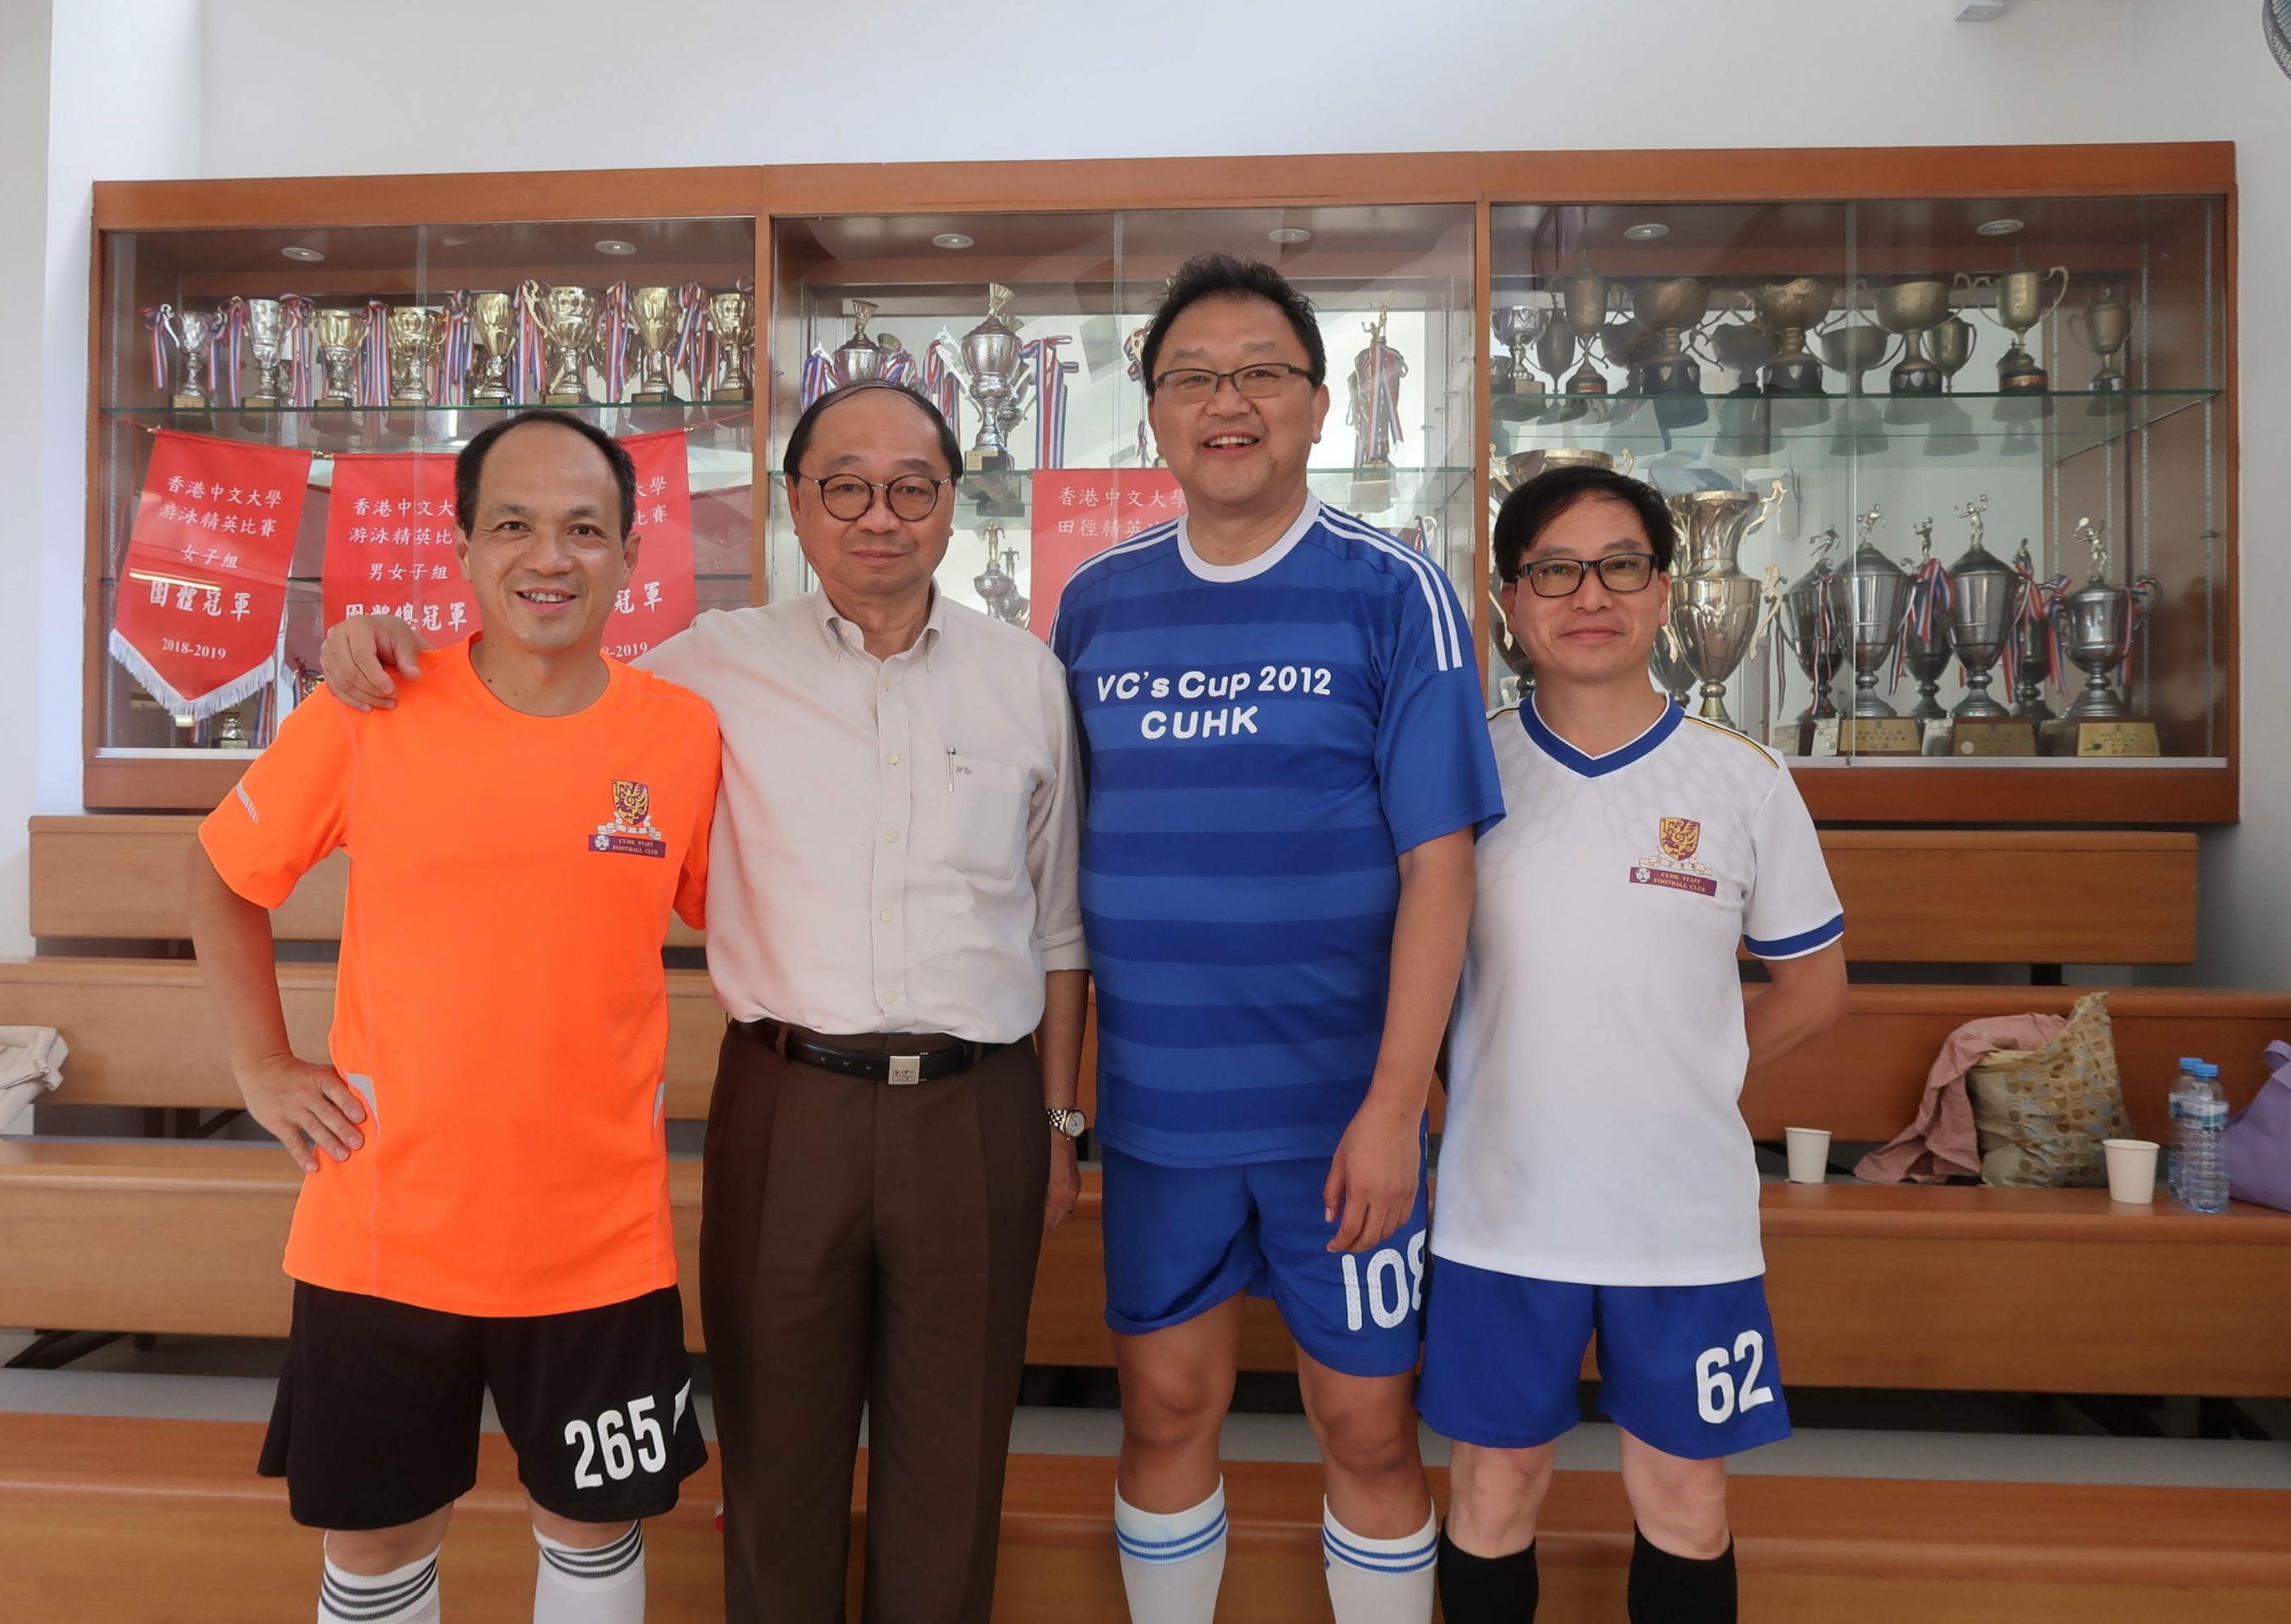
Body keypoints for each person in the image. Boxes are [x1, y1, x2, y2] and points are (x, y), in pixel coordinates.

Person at [318, 379, 1089, 1624]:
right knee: (775, 1452)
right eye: (843, 485)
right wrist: (379, 640)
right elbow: (539, 673)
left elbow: (1057, 924)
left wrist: (1059, 1125)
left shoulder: (1028, 680)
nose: (877, 515)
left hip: (979, 1110)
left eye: (913, 487)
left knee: (954, 1461)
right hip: (791, 1099)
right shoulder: (703, 672)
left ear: (956, 505)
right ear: (795, 504)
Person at [188, 409, 720, 1624]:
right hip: (387, 1225)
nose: (551, 555)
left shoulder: (679, 735)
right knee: (376, 1542)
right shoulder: (379, 703)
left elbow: (730, 908)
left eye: (586, 527)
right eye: (514, 525)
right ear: (467, 550)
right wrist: (263, 1063)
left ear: (632, 554)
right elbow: (221, 873)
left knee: (595, 1526)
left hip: (597, 1236)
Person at [1050, 254, 1502, 1624]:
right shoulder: (1094, 602)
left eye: (1260, 374)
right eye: (1192, 376)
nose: (1226, 401)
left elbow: (1443, 866)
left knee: (1366, 1425)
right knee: (1164, 1408)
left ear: (1318, 406)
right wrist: (1065, 1115)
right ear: (1154, 414)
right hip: (1158, 1117)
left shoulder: (1391, 588)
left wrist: (1388, 1107)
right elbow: (1061, 873)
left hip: (1338, 1125)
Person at [1419, 465, 1850, 1624]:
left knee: (1683, 1496)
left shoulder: (1745, 781)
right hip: (1502, 1212)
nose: (1589, 593)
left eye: (1621, 564)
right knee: (1494, 1485)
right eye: (1553, 569)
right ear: (1508, 600)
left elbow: (1813, 987)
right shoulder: (1463, 772)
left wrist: (1688, 1052)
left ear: (1665, 591)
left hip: (1684, 1220)